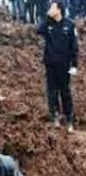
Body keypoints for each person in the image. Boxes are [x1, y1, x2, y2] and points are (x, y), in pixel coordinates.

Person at [37, 0, 79, 133]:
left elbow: (74, 46)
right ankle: (54, 115)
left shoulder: (70, 25)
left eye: (53, 7)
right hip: (50, 63)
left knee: (65, 91)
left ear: (59, 9)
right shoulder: (48, 24)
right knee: (52, 91)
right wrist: (47, 17)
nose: (50, 9)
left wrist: (74, 65)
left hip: (64, 65)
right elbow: (39, 30)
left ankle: (70, 118)